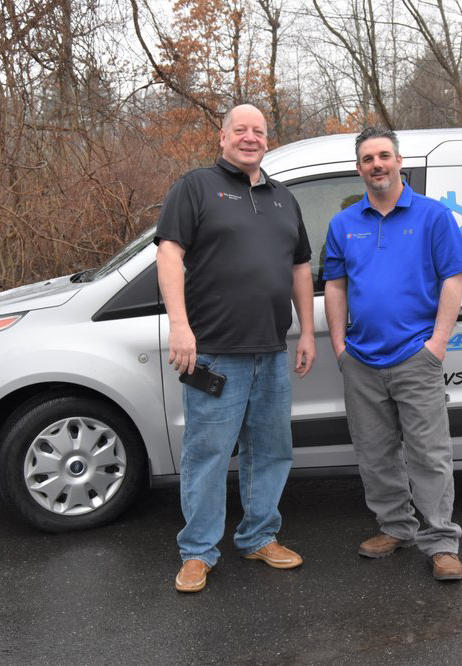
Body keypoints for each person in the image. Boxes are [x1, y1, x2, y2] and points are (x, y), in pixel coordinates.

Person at [155, 104, 315, 593]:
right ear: (222, 137)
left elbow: (300, 268)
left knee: (270, 451)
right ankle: (198, 552)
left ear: (268, 140)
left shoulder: (284, 198)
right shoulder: (196, 187)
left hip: (271, 350)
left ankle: (259, 536)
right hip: (214, 353)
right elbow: (169, 253)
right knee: (207, 454)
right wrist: (179, 326)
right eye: (240, 130)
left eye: (259, 131)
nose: (250, 137)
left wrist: (307, 330)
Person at [323, 127, 462, 581]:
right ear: (359, 168)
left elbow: (453, 278)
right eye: (368, 158)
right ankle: (395, 527)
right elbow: (335, 284)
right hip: (362, 361)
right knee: (375, 453)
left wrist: (437, 345)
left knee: (429, 454)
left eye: (384, 156)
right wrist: (339, 346)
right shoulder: (343, 224)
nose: (377, 165)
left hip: (416, 357)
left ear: (399, 160)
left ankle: (441, 541)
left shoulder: (432, 216)